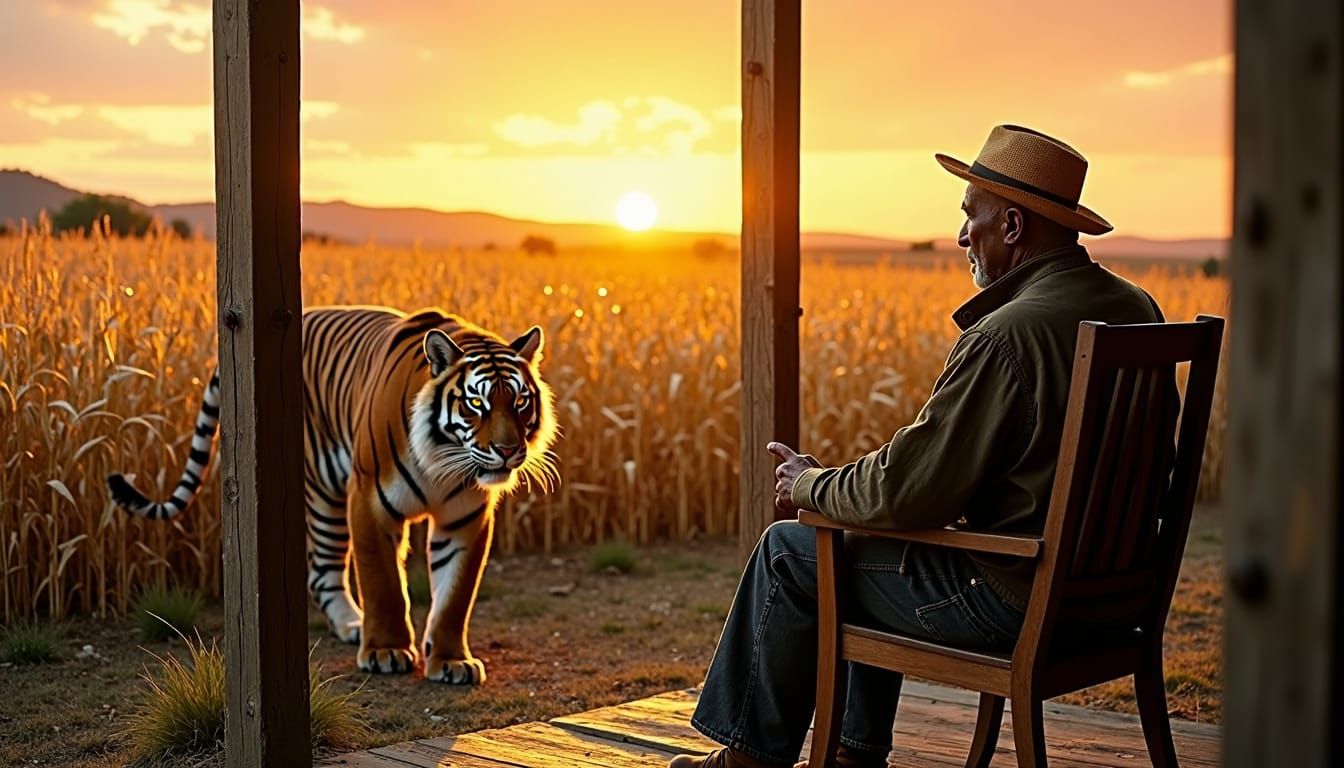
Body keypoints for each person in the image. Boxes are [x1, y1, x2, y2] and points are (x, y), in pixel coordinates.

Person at [670, 125, 1169, 768]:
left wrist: (809, 486)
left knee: (793, 552)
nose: (962, 235)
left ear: (1013, 225)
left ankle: (747, 763)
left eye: (971, 216)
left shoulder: (1006, 333)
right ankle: (852, 756)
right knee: (861, 539)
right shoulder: (1137, 307)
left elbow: (909, 493)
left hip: (1015, 602)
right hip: (1109, 603)